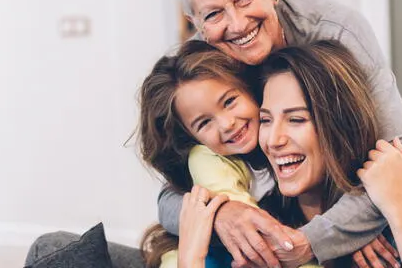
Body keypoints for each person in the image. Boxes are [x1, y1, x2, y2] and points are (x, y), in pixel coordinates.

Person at [157, 0, 402, 267]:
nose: (237, 23)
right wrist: (223, 213)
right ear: (195, 23)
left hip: (355, 208)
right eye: (213, 15)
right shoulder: (204, 68)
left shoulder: (337, 32)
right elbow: (170, 197)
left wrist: (314, 239)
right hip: (285, 212)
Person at [175, 41, 402, 268]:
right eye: (266, 120)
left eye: (297, 119)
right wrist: (190, 258)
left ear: (340, 126)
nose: (273, 140)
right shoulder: (266, 220)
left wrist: (399, 207)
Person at [137, 39, 321, 268]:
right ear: (191, 138)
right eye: (204, 123)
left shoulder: (291, 147)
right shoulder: (207, 161)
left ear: (250, 89)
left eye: (230, 101)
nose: (226, 124)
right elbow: (259, 239)